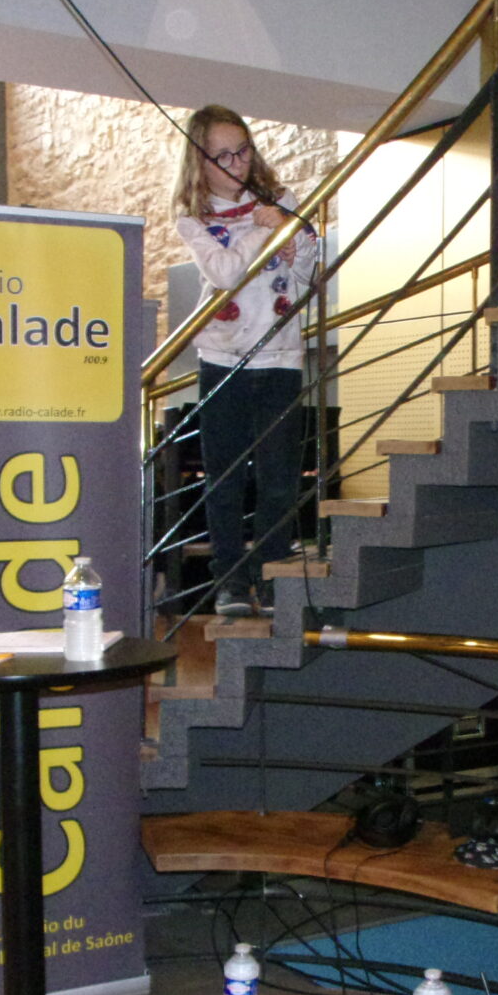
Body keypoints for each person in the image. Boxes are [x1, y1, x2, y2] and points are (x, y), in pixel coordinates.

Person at [171, 104, 320, 618]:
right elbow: (226, 272)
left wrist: (292, 236)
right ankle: (231, 581)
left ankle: (273, 574)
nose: (237, 164)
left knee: (279, 477)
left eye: (243, 151)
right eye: (223, 156)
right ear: (200, 162)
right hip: (223, 357)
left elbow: (303, 276)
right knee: (225, 477)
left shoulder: (283, 201)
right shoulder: (193, 217)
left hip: (279, 356)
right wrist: (268, 230)